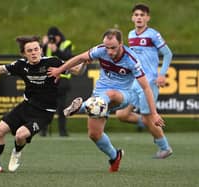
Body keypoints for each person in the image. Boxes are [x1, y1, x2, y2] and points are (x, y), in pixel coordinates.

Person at [48, 28, 165, 172]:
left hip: (122, 95)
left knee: (110, 94)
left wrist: (153, 113)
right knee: (94, 134)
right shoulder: (101, 50)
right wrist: (59, 70)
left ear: (121, 44)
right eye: (107, 47)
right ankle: (115, 156)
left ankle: (82, 107)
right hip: (99, 96)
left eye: (113, 48)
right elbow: (80, 58)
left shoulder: (131, 60)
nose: (109, 51)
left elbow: (146, 87)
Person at [0, 36, 65, 173]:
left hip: (45, 112)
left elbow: (76, 69)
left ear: (41, 50)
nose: (33, 53)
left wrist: (83, 63)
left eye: (36, 49)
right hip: (26, 106)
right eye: (29, 51)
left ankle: (16, 152)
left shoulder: (53, 62)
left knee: (20, 136)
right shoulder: (21, 65)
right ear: (24, 54)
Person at [115, 3, 173, 159]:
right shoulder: (131, 35)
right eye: (137, 15)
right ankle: (152, 127)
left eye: (142, 15)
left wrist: (162, 74)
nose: (139, 17)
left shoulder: (153, 34)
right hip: (135, 81)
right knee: (122, 114)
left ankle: (165, 147)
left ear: (148, 18)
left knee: (148, 117)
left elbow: (168, 54)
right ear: (132, 17)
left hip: (149, 82)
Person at [40, 26, 74, 137]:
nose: (53, 40)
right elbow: (40, 57)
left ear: (59, 36)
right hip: (50, 79)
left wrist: (57, 50)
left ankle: (62, 131)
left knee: (61, 108)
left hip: (63, 80)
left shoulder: (66, 43)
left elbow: (68, 57)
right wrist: (43, 45)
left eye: (54, 37)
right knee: (45, 105)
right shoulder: (48, 45)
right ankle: (43, 130)